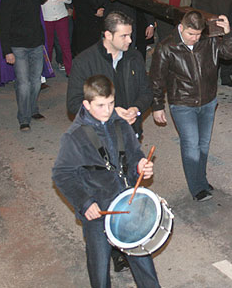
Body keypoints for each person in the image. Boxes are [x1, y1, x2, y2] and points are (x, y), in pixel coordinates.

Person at [53, 75, 160, 288]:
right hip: (97, 211)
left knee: (143, 263)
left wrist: (140, 165)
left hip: (125, 204)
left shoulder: (119, 123)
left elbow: (133, 153)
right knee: (100, 270)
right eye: (101, 105)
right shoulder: (74, 136)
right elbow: (62, 174)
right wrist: (85, 203)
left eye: (111, 103)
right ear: (86, 104)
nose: (107, 110)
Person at [150, 10, 232, 201]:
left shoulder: (209, 41)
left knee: (203, 144)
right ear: (181, 28)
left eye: (198, 34)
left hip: (208, 101)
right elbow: (156, 79)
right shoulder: (167, 47)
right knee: (191, 145)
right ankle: (196, 188)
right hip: (182, 103)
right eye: (190, 34)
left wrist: (229, 33)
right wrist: (157, 106)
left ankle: (202, 180)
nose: (194, 39)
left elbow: (230, 54)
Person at [67, 12, 153, 138]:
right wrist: (111, 113)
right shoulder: (84, 62)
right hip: (99, 135)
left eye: (130, 35)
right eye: (124, 36)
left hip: (130, 131)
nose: (129, 40)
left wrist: (136, 108)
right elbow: (74, 103)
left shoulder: (134, 57)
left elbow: (146, 92)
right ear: (108, 35)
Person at [0, 0, 59, 130]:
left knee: (35, 82)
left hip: (36, 45)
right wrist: (7, 51)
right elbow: (2, 26)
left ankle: (33, 110)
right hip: (18, 47)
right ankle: (24, 118)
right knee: (24, 84)